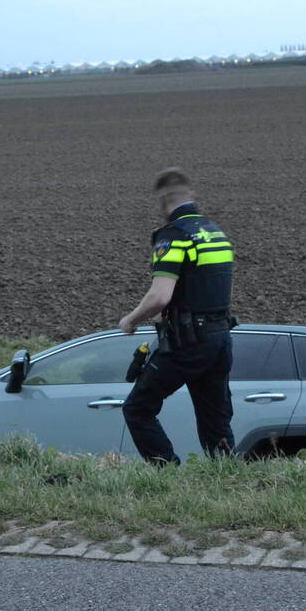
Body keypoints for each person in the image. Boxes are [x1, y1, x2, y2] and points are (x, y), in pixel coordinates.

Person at [118, 167, 236, 464]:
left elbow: (160, 295)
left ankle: (166, 471)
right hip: (220, 339)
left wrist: (131, 319)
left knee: (138, 408)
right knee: (215, 421)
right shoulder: (214, 231)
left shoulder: (173, 236)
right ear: (190, 195)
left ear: (163, 201)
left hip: (188, 341)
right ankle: (227, 481)